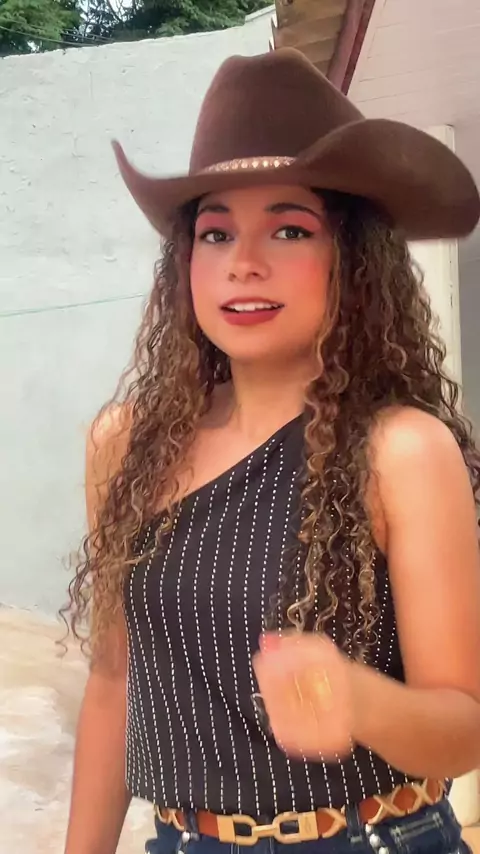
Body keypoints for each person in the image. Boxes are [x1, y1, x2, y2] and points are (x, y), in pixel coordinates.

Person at [63, 48, 480, 854]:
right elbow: (114, 685)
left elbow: (463, 728)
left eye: (290, 229)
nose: (244, 263)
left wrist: (358, 700)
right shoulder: (126, 445)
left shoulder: (401, 450)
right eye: (216, 232)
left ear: (354, 259)